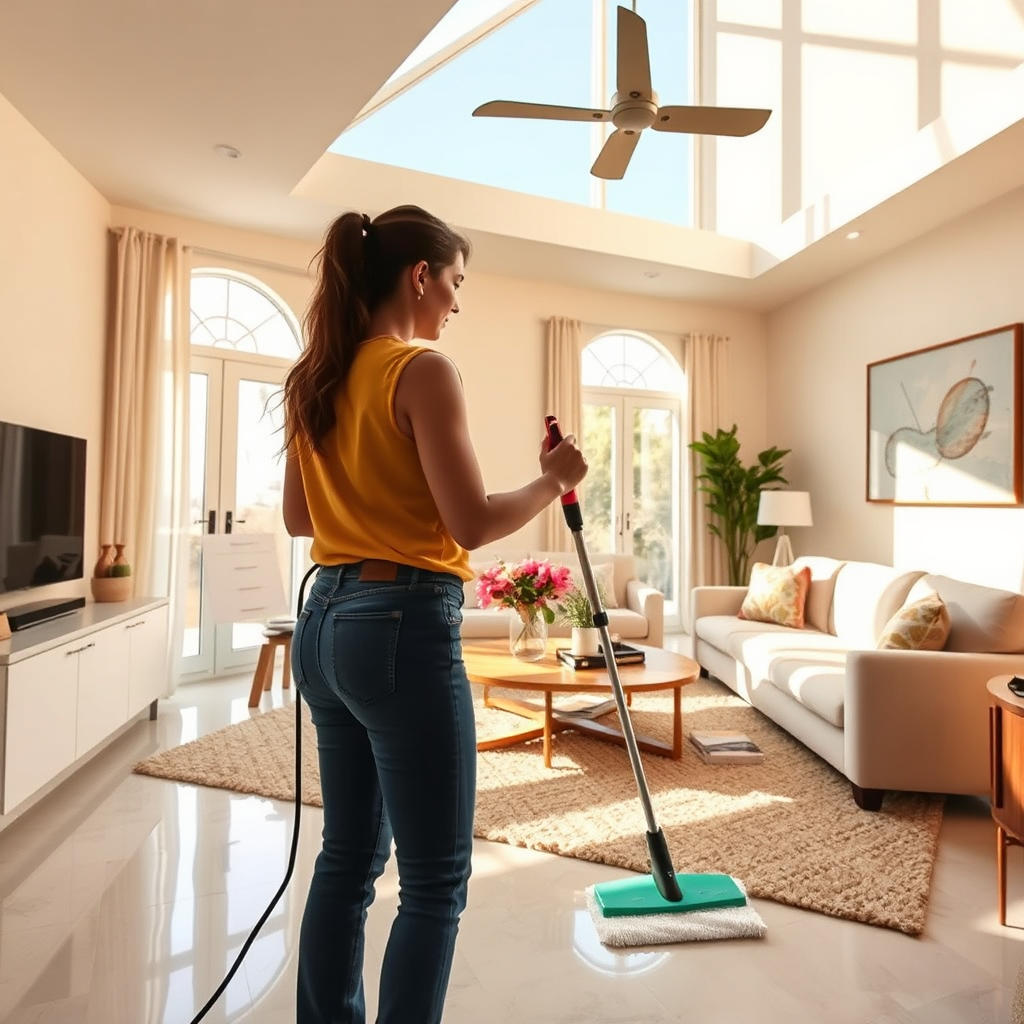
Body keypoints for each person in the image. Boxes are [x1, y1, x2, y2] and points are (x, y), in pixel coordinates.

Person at [280, 204, 588, 1024]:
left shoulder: (315, 376)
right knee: (435, 880)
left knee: (346, 858)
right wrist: (555, 479)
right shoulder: (420, 371)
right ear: (420, 277)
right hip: (400, 628)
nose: (454, 304)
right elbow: (473, 523)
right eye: (453, 283)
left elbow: (299, 518)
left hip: (324, 625)